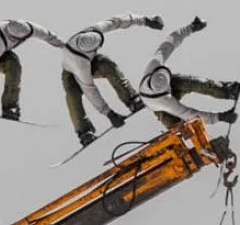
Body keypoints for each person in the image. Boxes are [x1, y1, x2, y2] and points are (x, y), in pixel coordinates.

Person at [47, 13, 163, 146]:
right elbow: (90, 90)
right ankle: (84, 131)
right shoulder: (80, 65)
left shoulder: (95, 29)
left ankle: (131, 99)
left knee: (107, 64)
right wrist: (109, 113)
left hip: (91, 60)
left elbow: (118, 21)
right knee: (73, 95)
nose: (98, 48)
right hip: (71, 72)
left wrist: (147, 21)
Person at [135, 16, 240, 128]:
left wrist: (191, 27)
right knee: (178, 126)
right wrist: (220, 117)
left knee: (193, 83)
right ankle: (190, 136)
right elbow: (191, 114)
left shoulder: (153, 64)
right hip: (161, 108)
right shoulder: (165, 101)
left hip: (165, 88)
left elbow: (171, 42)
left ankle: (227, 91)